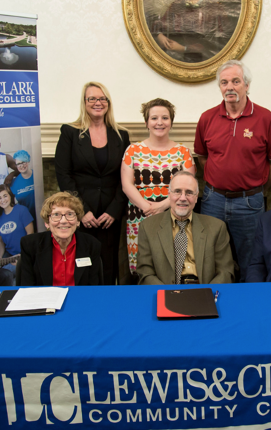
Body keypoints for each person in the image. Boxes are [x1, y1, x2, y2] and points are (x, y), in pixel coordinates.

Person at [194, 59, 271, 281]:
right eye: (224, 82)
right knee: (210, 257)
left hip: (250, 202)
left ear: (247, 85)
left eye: (236, 81)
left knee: (250, 260)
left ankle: (249, 306)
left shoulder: (266, 118)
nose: (230, 87)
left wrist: (259, 187)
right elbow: (202, 157)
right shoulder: (207, 118)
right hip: (212, 201)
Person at [55, 82, 130, 285]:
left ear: (108, 103)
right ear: (84, 102)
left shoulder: (121, 135)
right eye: (92, 99)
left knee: (109, 265)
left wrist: (114, 210)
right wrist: (81, 211)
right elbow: (63, 175)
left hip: (110, 214)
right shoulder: (70, 132)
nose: (98, 102)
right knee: (82, 264)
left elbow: (125, 177)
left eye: (102, 98)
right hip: (80, 212)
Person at [121, 98, 195, 275]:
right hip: (139, 216)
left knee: (174, 264)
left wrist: (162, 206)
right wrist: (147, 207)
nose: (159, 122)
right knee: (143, 268)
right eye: (154, 118)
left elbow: (189, 185)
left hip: (174, 215)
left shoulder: (183, 151)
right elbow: (126, 184)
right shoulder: (133, 150)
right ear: (146, 122)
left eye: (165, 118)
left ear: (171, 122)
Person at [137, 170, 234, 285]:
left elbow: (225, 272)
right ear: (169, 195)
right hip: (166, 292)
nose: (183, 198)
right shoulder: (148, 227)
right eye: (177, 191)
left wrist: (207, 293)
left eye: (189, 193)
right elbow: (145, 272)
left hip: (203, 291)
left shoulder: (217, 227)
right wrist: (167, 294)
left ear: (196, 197)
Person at [19, 192, 102, 286]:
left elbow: (93, 288)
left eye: (70, 214)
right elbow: (28, 288)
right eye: (56, 215)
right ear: (47, 223)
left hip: (79, 298)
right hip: (45, 299)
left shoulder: (92, 244)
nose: (63, 221)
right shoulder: (30, 245)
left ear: (78, 221)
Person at [149, 0, 230, 63]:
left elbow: (219, 44)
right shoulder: (176, 6)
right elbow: (158, 25)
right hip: (176, 64)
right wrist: (159, 35)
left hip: (207, 64)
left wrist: (183, 49)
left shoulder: (215, 8)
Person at [0, 184, 34, 273]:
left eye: (5, 196)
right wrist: (0, 258)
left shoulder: (22, 210)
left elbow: (30, 235)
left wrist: (22, 255)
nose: (3, 200)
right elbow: (0, 242)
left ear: (10, 196)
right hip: (8, 254)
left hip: (24, 254)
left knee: (5, 272)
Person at [10, 150, 36, 225]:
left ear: (28, 161)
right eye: (18, 164)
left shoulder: (37, 175)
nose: (21, 166)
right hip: (26, 220)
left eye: (23, 162)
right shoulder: (14, 183)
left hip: (43, 216)